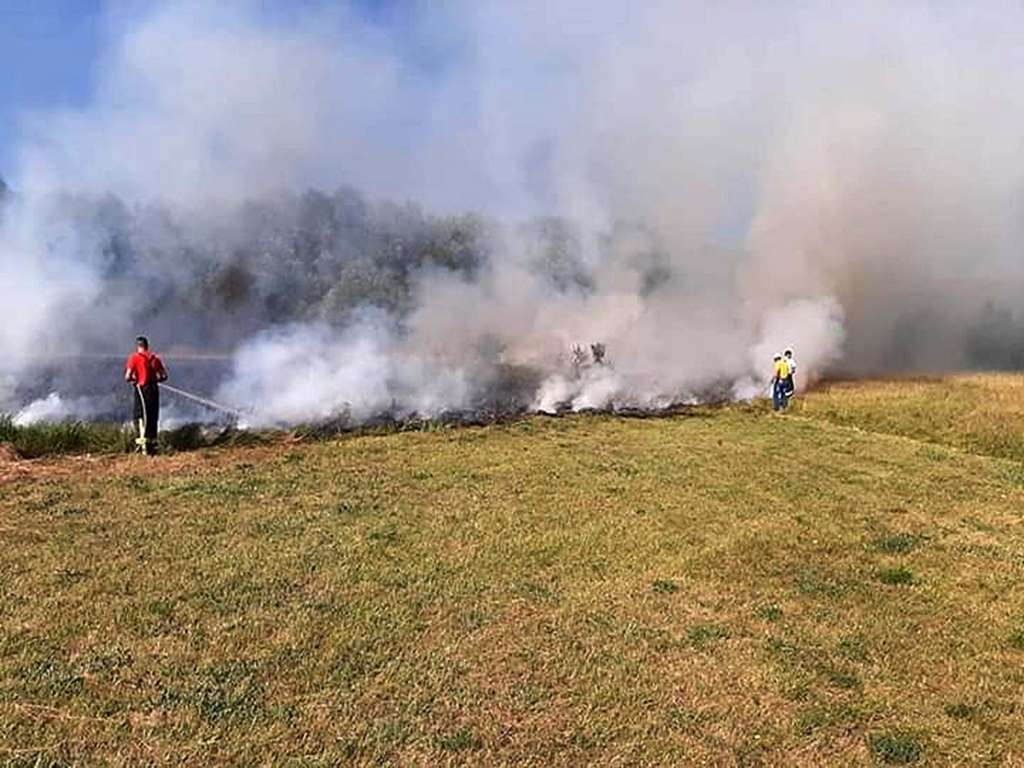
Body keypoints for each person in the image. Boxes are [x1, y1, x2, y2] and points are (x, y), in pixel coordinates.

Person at [124, 336, 168, 455]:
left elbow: (127, 376)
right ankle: (152, 446)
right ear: (147, 346)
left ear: (138, 346)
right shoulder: (155, 359)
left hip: (141, 390)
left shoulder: (134, 358)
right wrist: (156, 379)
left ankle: (142, 446)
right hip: (154, 390)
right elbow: (164, 376)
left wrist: (134, 380)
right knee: (153, 417)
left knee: (140, 416)